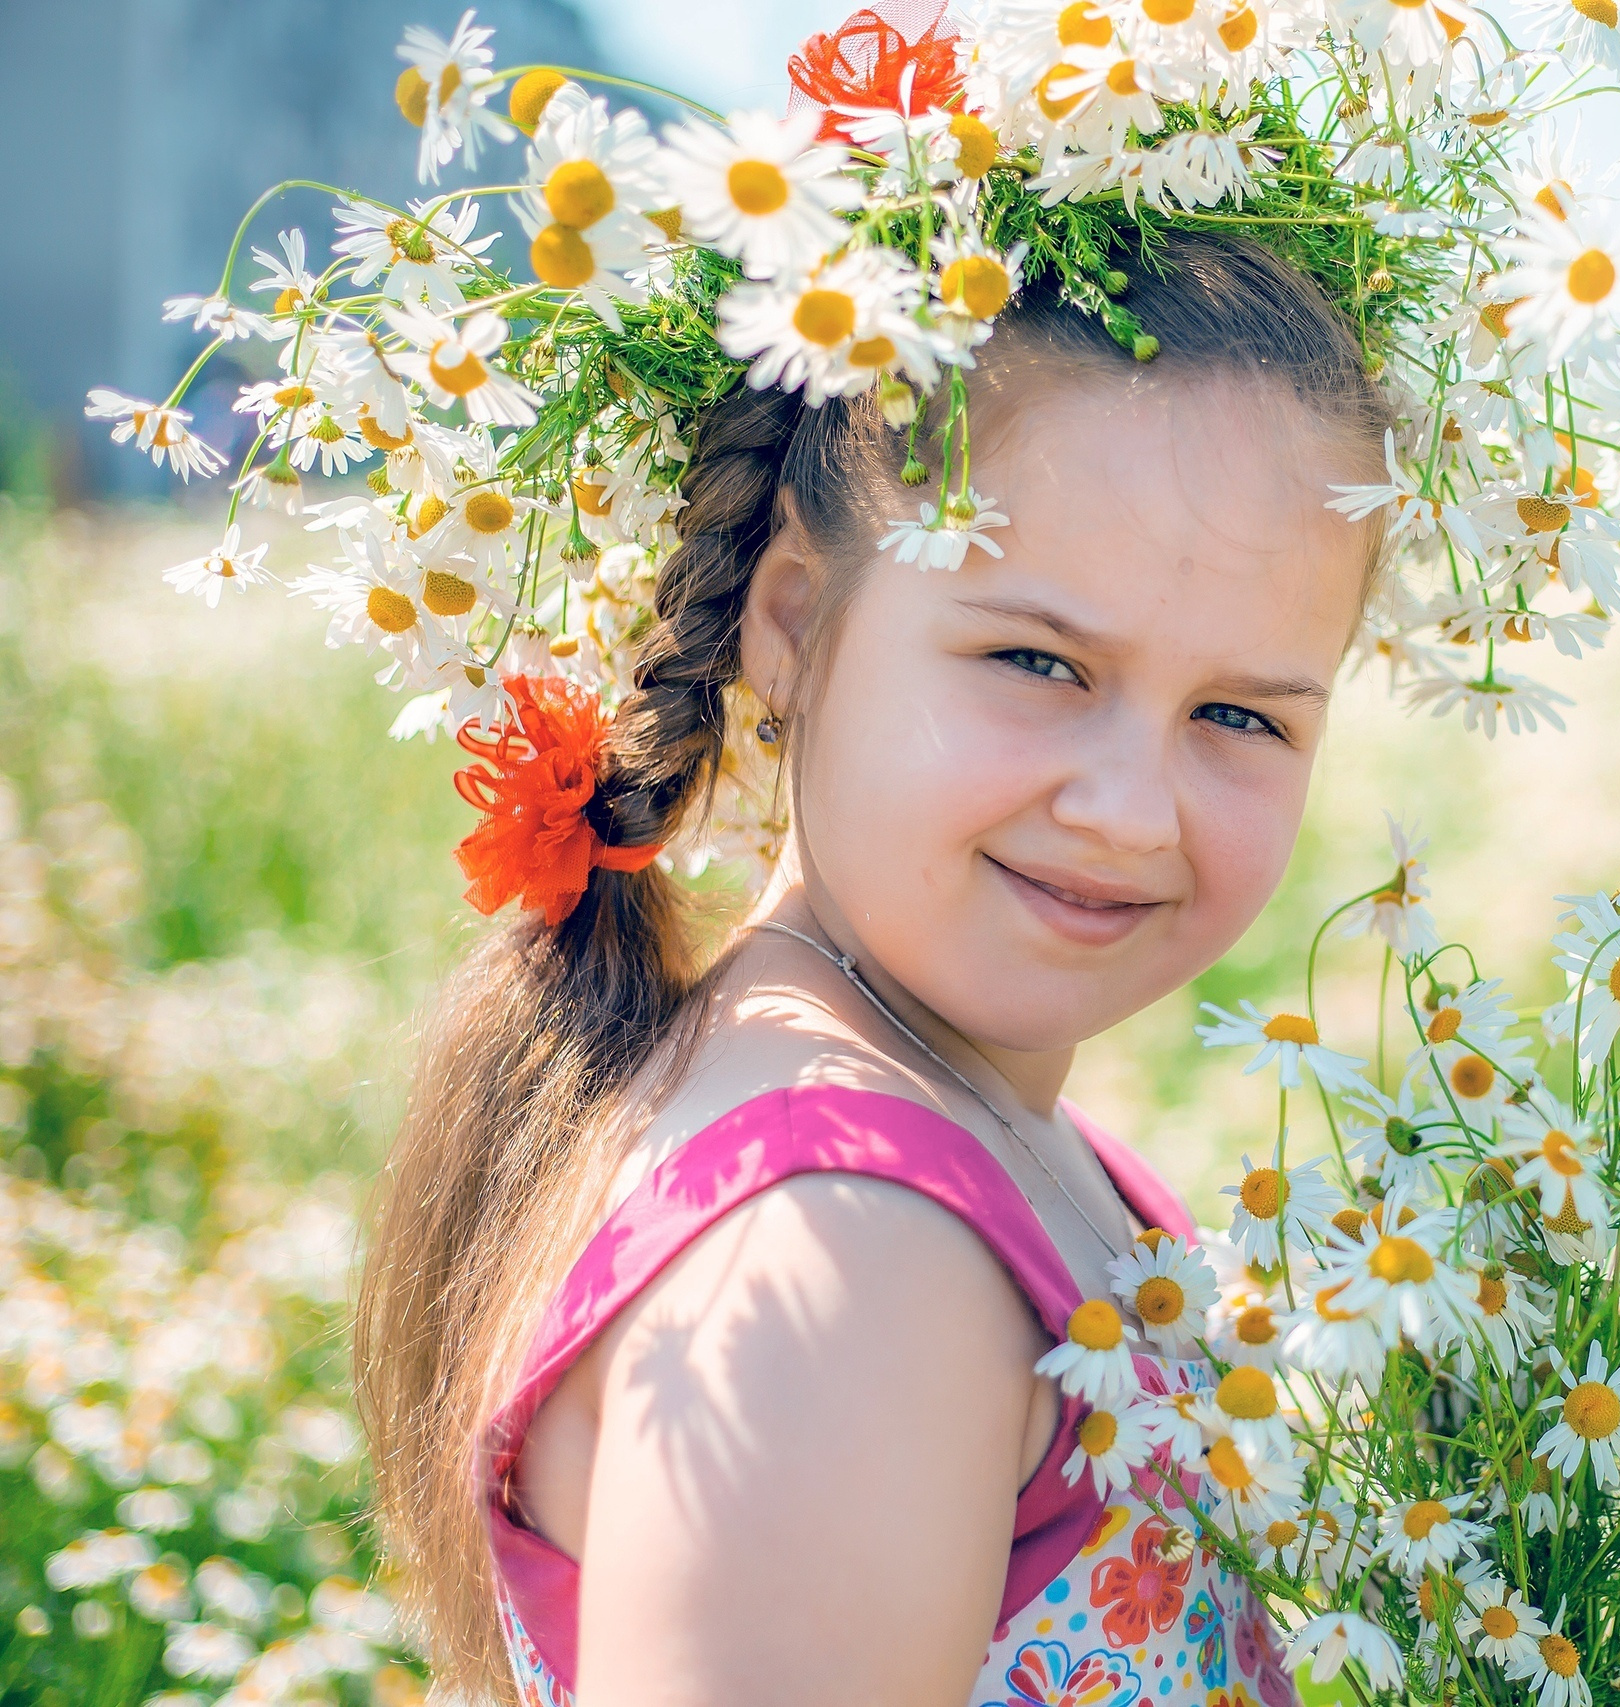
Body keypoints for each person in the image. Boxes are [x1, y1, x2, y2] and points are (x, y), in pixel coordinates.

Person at [350, 233, 1392, 1707]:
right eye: (1037, 664)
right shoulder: (849, 1260)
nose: (1130, 809)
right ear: (790, 622)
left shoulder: (944, 1130)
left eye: (1241, 715)